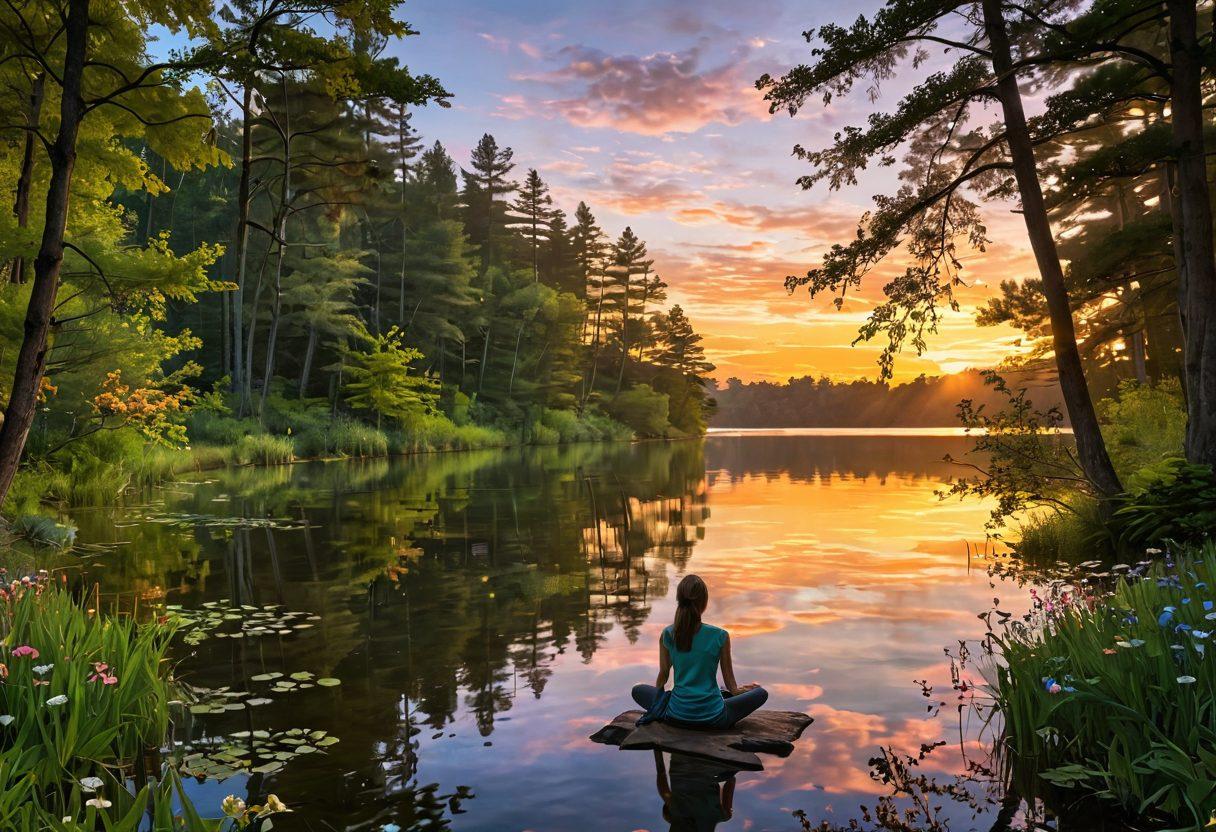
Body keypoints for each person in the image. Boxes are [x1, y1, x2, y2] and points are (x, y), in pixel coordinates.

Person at [632, 574, 768, 729]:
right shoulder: (720, 636)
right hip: (714, 718)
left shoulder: (668, 634)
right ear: (704, 603)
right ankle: (720, 698)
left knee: (637, 689)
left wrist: (659, 705)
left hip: (675, 715)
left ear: (679, 600)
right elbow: (732, 687)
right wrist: (742, 691)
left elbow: (662, 676)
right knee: (761, 693)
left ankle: (710, 699)